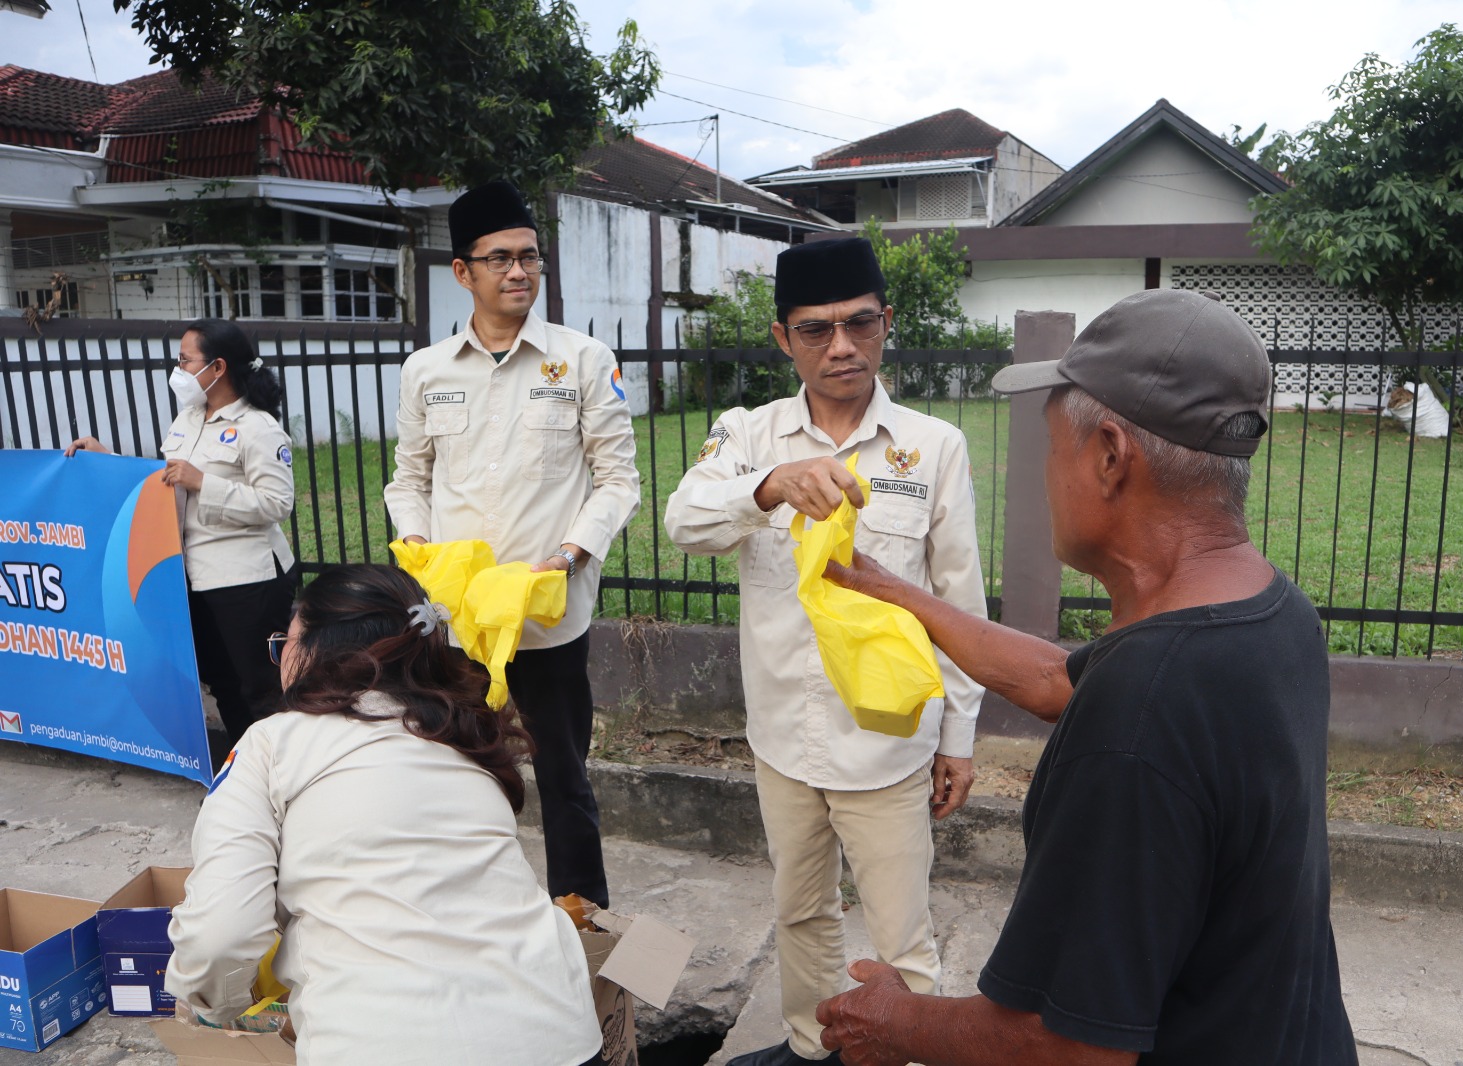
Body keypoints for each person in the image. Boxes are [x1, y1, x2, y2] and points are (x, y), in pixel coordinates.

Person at [813, 289, 1358, 1065]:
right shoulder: (1271, 612)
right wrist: (899, 594)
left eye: (1050, 447)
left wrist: (897, 1022)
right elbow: (1053, 680)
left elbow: (1072, 1048)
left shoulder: (1139, 716)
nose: (1044, 474)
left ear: (1109, 456)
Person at [664, 237, 987, 1066]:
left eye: (859, 324)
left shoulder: (933, 447)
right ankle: (813, 1048)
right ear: (783, 337)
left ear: (887, 323)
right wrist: (770, 486)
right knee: (800, 913)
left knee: (901, 935)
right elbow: (684, 520)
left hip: (886, 742)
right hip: (783, 736)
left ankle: (903, 1052)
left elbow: (959, 604)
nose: (841, 346)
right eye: (816, 330)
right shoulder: (747, 435)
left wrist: (957, 737)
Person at [165, 564, 604, 1066]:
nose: (280, 657)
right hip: (559, 1038)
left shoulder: (270, 743)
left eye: (285, 642)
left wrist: (213, 1006)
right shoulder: (461, 733)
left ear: (314, 653)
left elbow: (220, 933)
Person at [384, 179, 640, 908]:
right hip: (458, 620)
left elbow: (618, 480)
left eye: (529, 257)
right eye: (499, 259)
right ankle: (472, 915)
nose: (519, 271)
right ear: (462, 271)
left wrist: (570, 556)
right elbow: (408, 479)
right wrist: (417, 542)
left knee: (564, 776)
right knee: (458, 771)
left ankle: (582, 920)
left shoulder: (583, 360)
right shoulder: (427, 371)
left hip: (548, 614)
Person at [67, 319, 296, 750]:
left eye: (185, 360)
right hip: (191, 576)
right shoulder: (187, 420)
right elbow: (164, 483)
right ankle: (244, 763)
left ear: (218, 367)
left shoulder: (258, 428)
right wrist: (107, 459)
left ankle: (285, 766)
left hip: (247, 579)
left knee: (261, 686)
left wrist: (204, 483)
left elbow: (277, 503)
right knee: (222, 681)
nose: (178, 370)